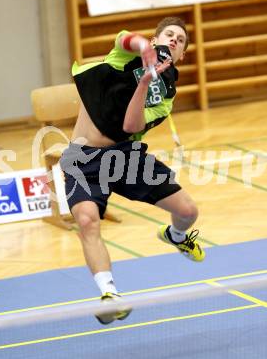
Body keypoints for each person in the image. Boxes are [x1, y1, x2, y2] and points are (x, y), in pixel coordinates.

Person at [60, 17, 205, 325]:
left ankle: (176, 236)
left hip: (126, 157)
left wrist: (144, 84)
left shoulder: (164, 97)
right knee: (87, 221)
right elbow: (125, 38)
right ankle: (110, 294)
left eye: (181, 40)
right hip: (84, 161)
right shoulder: (126, 56)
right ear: (155, 40)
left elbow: (130, 126)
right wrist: (143, 50)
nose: (174, 40)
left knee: (188, 211)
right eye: (169, 34)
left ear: (181, 56)